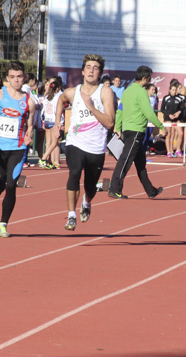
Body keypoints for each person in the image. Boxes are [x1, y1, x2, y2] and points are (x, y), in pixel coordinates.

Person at [54, 54, 115, 230]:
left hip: (96, 147)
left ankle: (87, 202)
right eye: (88, 67)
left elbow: (109, 122)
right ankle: (71, 215)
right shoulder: (72, 92)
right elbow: (61, 100)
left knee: (90, 187)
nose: (91, 70)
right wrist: (59, 121)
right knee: (74, 173)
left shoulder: (105, 92)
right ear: (82, 71)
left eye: (95, 68)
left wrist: (91, 107)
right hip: (75, 142)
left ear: (100, 73)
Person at [0, 61, 35, 237]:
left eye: (19, 77)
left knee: (11, 185)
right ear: (7, 78)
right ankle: (0, 179)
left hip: (18, 149)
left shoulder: (29, 102)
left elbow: (30, 125)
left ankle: (3, 224)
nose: (16, 80)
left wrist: (28, 137)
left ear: (24, 78)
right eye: (12, 77)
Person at [108, 65, 165, 199]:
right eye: (150, 79)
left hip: (128, 130)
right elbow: (148, 112)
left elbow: (120, 111)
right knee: (125, 160)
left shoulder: (127, 91)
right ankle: (114, 188)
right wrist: (161, 125)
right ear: (144, 78)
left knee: (140, 164)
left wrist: (118, 127)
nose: (150, 81)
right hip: (136, 131)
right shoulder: (141, 92)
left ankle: (151, 191)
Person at [39, 76, 63, 169]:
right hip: (53, 121)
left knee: (48, 143)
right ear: (57, 89)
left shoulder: (46, 97)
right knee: (54, 143)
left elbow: (43, 110)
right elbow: (58, 111)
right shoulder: (58, 97)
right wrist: (60, 122)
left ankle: (49, 162)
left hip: (47, 121)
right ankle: (44, 159)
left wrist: (43, 121)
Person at [161, 79, 186, 158]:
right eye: (173, 90)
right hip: (167, 118)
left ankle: (177, 150)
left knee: (180, 133)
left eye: (175, 90)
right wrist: (169, 115)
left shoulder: (179, 99)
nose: (174, 92)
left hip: (175, 119)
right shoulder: (166, 98)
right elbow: (162, 109)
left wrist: (178, 113)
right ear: (169, 90)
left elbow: (181, 108)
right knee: (169, 134)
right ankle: (169, 151)